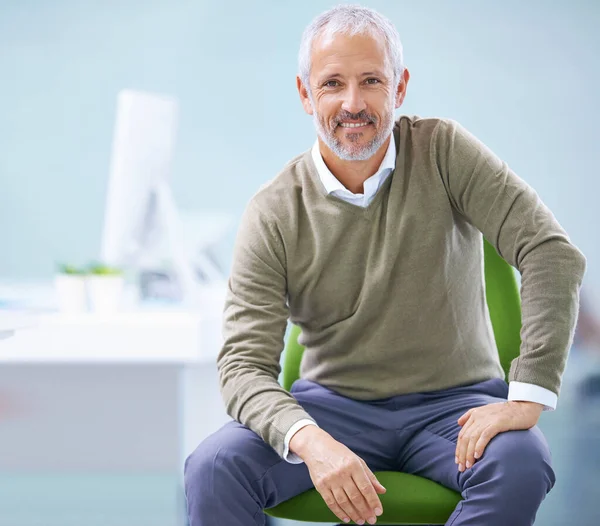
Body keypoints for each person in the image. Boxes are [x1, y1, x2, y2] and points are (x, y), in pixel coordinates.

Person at [184, 5, 586, 526]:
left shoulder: (444, 152)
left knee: (521, 464)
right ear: (306, 95)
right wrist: (311, 441)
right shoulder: (274, 210)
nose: (353, 103)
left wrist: (528, 397)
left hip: (455, 407)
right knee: (213, 469)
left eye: (371, 80)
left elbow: (551, 252)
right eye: (332, 84)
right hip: (332, 409)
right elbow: (242, 365)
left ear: (399, 88)